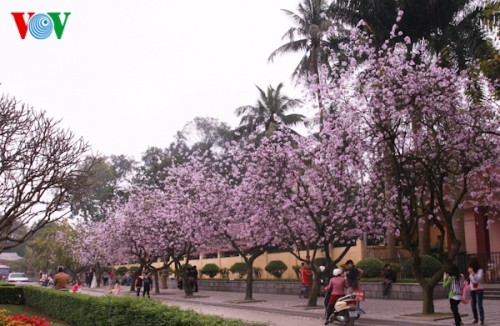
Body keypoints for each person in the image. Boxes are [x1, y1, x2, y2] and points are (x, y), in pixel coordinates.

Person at [468, 258, 485, 325]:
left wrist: (473, 273)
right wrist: (471, 274)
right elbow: (472, 280)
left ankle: (481, 320)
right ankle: (475, 318)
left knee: (479, 305)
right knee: (473, 305)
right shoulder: (471, 272)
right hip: (472, 290)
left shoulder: (480, 270)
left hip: (479, 289)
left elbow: (478, 279)